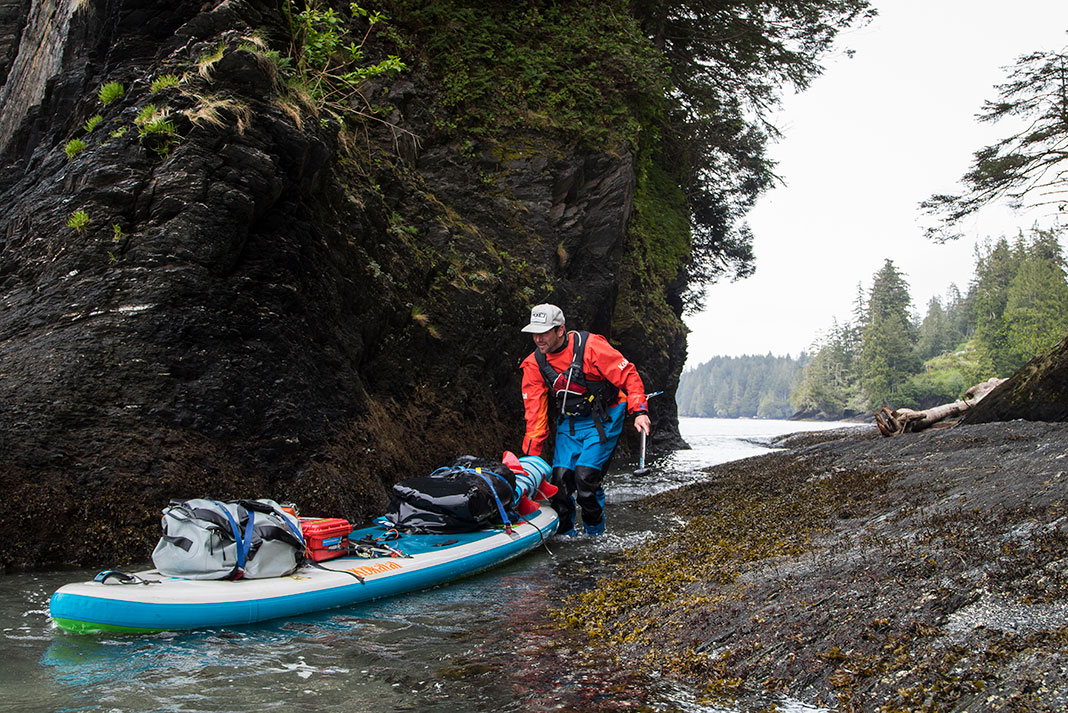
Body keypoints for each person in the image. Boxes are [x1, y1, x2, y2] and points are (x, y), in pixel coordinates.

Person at [519, 303, 651, 536]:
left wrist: (639, 411)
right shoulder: (533, 364)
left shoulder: (591, 347)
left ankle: (595, 535)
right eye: (534, 333)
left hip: (605, 418)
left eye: (544, 332)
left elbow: (628, 374)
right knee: (558, 483)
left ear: (560, 330)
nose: (538, 339)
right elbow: (534, 415)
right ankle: (565, 535)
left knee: (585, 478)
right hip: (569, 424)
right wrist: (530, 460)